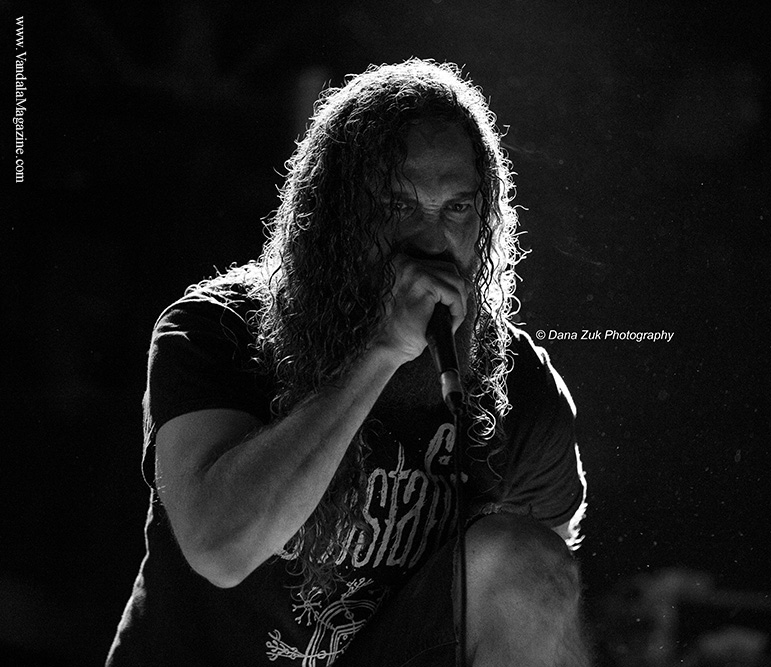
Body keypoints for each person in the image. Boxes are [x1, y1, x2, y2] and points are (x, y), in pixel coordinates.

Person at [106, 59, 589, 667]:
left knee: (526, 557)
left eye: (457, 209)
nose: (431, 241)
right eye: (399, 205)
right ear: (336, 215)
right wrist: (379, 352)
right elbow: (220, 549)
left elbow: (540, 590)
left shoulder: (516, 381)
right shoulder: (216, 329)